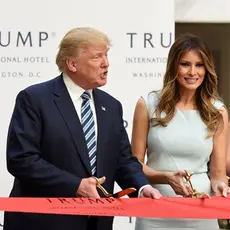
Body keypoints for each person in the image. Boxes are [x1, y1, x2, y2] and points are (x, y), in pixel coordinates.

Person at [3, 27, 161, 230]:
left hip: (96, 222)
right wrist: (76, 185)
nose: (106, 63)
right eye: (97, 57)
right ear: (72, 63)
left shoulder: (111, 106)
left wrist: (141, 187)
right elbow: (21, 159)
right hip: (44, 222)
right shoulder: (34, 99)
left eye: (106, 55)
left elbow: (122, 160)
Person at [131, 33, 229, 230]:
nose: (193, 72)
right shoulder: (148, 104)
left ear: (207, 68)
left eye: (199, 65)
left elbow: (218, 173)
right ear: (173, 66)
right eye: (185, 64)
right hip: (156, 211)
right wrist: (165, 177)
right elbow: (134, 165)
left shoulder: (217, 111)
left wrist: (220, 186)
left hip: (201, 212)